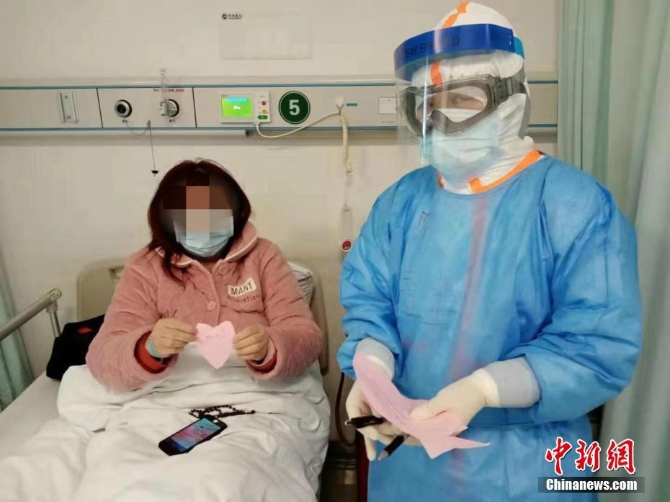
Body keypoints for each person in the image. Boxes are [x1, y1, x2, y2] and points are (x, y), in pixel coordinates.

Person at [337, 3, 642, 501]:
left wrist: (482, 390)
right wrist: (372, 369)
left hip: (526, 466)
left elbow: (596, 346)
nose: (438, 119)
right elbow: (370, 303)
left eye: (461, 100)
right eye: (426, 104)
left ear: (511, 103)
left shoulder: (573, 205)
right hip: (411, 461)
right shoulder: (401, 202)